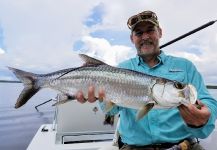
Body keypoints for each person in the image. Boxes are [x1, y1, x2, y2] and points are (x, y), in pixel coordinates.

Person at [76, 10, 217, 150]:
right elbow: (110, 111)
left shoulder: (185, 66)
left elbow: (208, 101)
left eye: (150, 30)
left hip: (183, 145)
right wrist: (101, 98)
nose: (145, 36)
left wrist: (203, 119)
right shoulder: (122, 68)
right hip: (134, 147)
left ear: (160, 32)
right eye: (139, 33)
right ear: (132, 39)